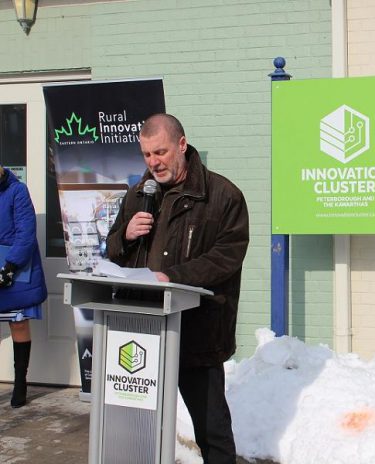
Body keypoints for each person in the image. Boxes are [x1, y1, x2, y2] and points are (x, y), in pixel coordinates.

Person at [106, 114, 249, 463]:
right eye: (146, 155)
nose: (154, 163)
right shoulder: (139, 195)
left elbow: (227, 256)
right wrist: (125, 236)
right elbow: (111, 249)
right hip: (141, 332)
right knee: (138, 428)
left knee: (211, 430)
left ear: (181, 145)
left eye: (161, 152)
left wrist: (174, 276)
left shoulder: (222, 195)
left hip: (197, 333)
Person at [0, 164, 47, 408]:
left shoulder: (17, 190)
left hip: (14, 266)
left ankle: (20, 382)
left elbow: (26, 233)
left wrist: (9, 266)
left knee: (18, 323)